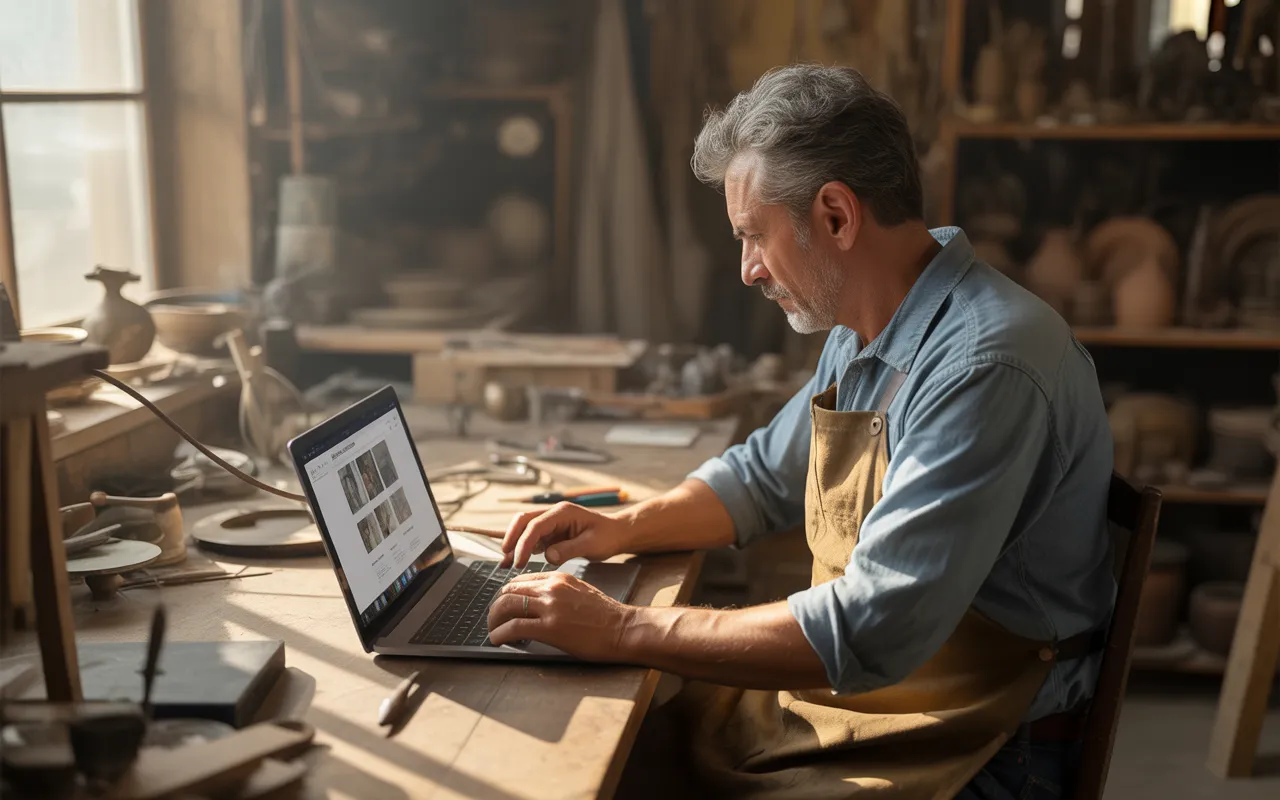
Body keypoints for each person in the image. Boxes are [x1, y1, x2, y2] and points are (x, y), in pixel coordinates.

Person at [487, 64, 1115, 799]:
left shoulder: (985, 364)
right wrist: (617, 528)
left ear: (837, 217)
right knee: (607, 759)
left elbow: (871, 630)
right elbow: (761, 478)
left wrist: (622, 629)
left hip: (979, 747)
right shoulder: (873, 320)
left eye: (754, 235)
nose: (748, 269)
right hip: (873, 706)